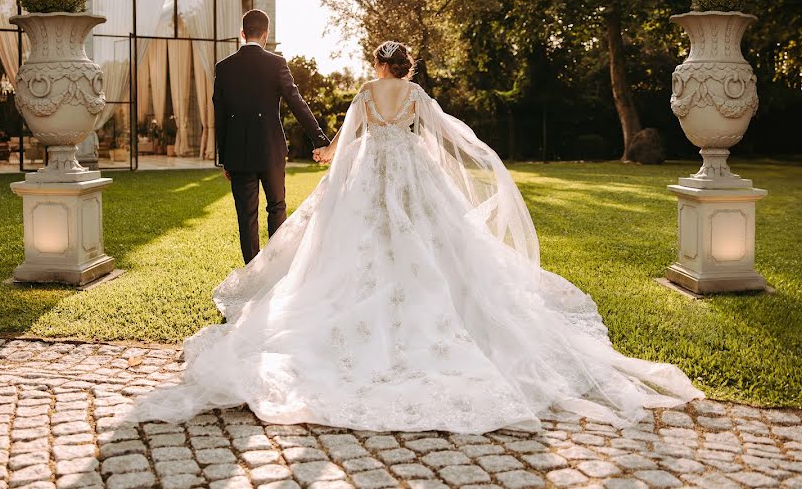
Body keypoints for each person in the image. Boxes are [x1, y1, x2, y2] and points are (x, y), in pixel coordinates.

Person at [128, 40, 703, 434]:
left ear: (380, 67)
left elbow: (352, 141)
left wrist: (332, 156)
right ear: (407, 67)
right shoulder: (418, 96)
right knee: (432, 238)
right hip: (410, 173)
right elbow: (438, 136)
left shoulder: (363, 95)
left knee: (357, 242)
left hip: (370, 174)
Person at [212, 9, 330, 264]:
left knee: (246, 216)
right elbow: (297, 103)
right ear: (266, 35)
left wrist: (224, 157)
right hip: (271, 150)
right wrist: (319, 139)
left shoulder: (223, 68)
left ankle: (252, 271)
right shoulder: (277, 63)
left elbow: (219, 115)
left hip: (237, 153)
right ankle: (275, 269)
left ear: (242, 34)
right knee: (276, 207)